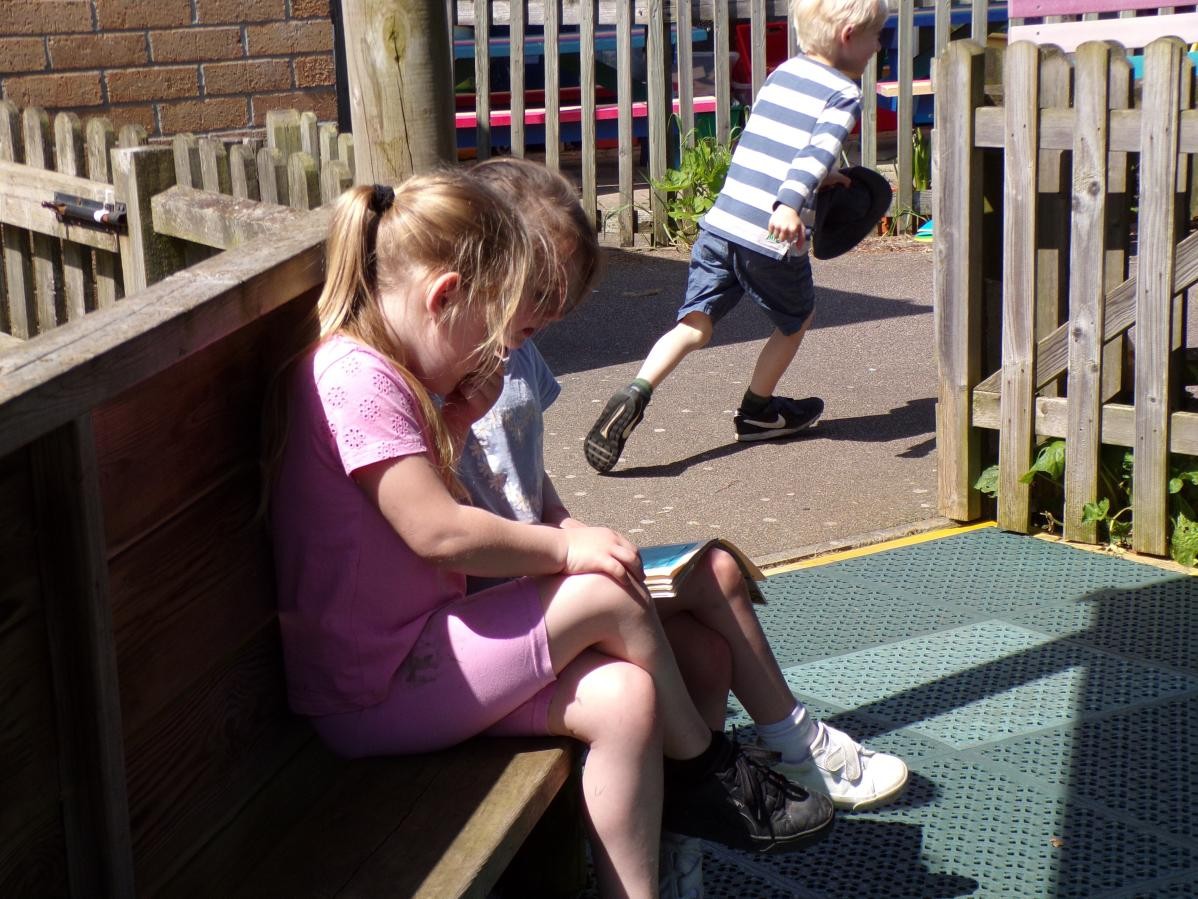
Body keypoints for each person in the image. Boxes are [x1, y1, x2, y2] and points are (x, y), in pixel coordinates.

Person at [267, 170, 833, 899]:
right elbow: (435, 530)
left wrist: (461, 420)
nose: (496, 354)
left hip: (420, 649)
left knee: (628, 696)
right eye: (488, 329)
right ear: (443, 297)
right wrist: (566, 547)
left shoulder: (386, 372)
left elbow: (405, 503)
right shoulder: (354, 377)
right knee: (600, 590)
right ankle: (703, 771)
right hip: (374, 683)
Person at [462, 158, 908, 816]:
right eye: (541, 293)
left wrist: (568, 523)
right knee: (693, 603)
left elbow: (525, 479)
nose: (553, 313)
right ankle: (767, 757)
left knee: (713, 597)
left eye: (562, 297)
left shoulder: (519, 350)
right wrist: (560, 552)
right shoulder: (452, 372)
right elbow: (452, 529)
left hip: (545, 574)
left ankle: (699, 819)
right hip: (507, 605)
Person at [584, 0, 892, 473]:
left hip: (722, 222)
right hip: (769, 236)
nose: (878, 47)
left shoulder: (784, 72)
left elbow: (773, 139)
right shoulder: (844, 92)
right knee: (797, 319)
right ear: (850, 34)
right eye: (877, 37)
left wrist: (821, 179)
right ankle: (757, 412)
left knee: (694, 327)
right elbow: (814, 151)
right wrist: (791, 203)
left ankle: (636, 392)